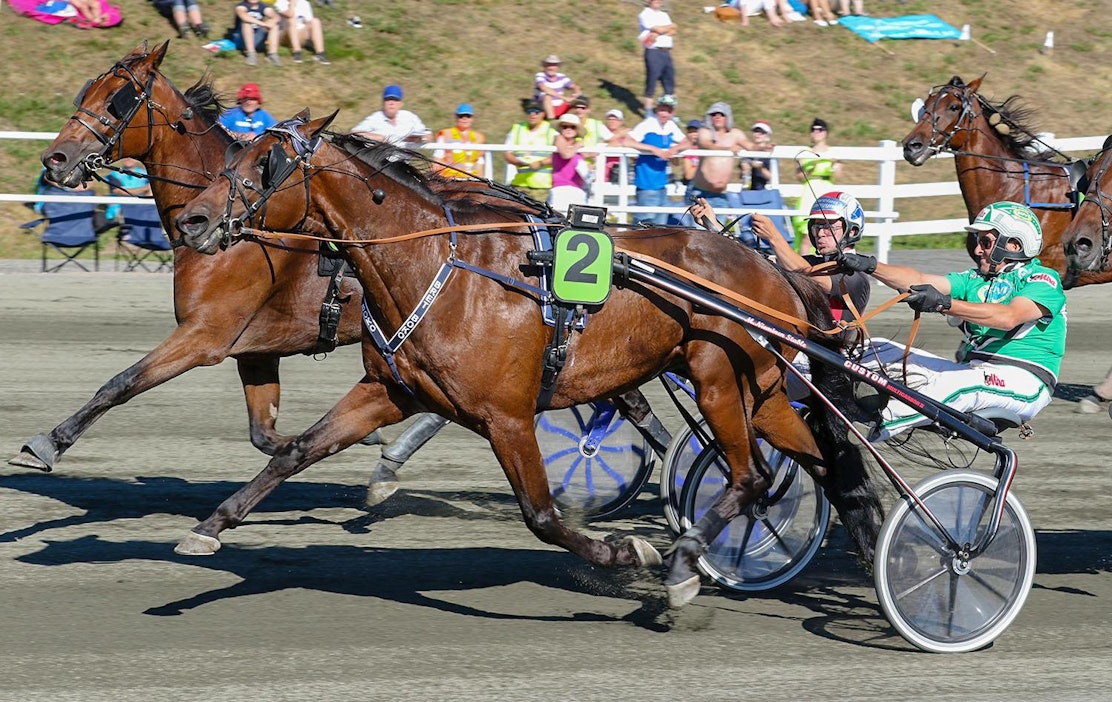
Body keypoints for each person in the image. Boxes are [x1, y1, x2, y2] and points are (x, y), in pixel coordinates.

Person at [838, 201, 1067, 441]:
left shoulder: (1042, 279)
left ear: (1014, 245)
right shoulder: (974, 279)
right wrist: (869, 265)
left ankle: (859, 439)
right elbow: (918, 279)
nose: (978, 250)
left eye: (986, 243)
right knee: (877, 348)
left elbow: (1008, 317)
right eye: (977, 242)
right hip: (974, 370)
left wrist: (943, 303)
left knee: (956, 384)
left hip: (1024, 382)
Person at [685, 101, 753, 229]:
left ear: (727, 117)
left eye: (721, 114)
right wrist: (727, 149)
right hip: (701, 194)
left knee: (717, 235)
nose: (717, 116)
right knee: (700, 236)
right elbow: (706, 144)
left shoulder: (735, 134)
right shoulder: (705, 132)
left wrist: (763, 146)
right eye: (714, 114)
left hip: (720, 196)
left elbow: (750, 146)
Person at [627, 94, 687, 225]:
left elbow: (687, 142)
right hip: (646, 183)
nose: (664, 113)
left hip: (661, 184)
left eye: (668, 110)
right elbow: (627, 141)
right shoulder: (648, 124)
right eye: (662, 109)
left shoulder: (670, 126)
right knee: (644, 226)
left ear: (672, 112)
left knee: (660, 228)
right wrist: (653, 149)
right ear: (657, 109)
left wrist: (675, 149)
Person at [794, 117, 841, 253]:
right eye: (813, 130)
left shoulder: (833, 153)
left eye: (820, 130)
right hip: (810, 189)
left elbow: (836, 177)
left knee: (826, 232)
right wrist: (812, 165)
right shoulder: (804, 152)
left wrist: (833, 165)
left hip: (826, 188)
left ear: (825, 132)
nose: (816, 132)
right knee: (806, 234)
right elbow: (800, 177)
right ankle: (803, 266)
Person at [504, 100, 556, 203]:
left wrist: (540, 163)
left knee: (539, 217)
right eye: (529, 111)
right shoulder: (516, 129)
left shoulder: (551, 131)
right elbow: (507, 153)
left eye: (536, 111)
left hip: (542, 186)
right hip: (520, 184)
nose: (532, 114)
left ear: (543, 114)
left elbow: (557, 156)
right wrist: (517, 162)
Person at [351, 85, 431, 145]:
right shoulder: (375, 118)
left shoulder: (409, 117)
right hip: (379, 164)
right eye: (388, 99)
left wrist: (419, 139)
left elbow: (429, 136)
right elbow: (354, 133)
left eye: (395, 100)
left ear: (401, 104)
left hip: (404, 164)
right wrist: (377, 137)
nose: (391, 103)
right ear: (383, 103)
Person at [638, 0, 676, 115]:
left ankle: (671, 113)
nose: (658, 2)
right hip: (654, 51)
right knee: (651, 83)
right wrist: (664, 29)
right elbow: (661, 28)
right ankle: (648, 113)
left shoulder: (664, 15)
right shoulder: (644, 14)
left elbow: (674, 29)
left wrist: (657, 32)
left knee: (670, 85)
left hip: (666, 52)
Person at [549, 113, 590, 215]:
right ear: (560, 128)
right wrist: (578, 145)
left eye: (572, 127)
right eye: (565, 126)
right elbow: (565, 154)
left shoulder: (577, 147)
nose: (568, 129)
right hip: (561, 188)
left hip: (578, 189)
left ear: (576, 130)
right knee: (560, 220)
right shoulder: (559, 138)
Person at [432, 104, 486, 178]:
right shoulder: (446, 134)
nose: (465, 119)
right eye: (461, 116)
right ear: (456, 117)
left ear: (472, 118)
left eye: (468, 116)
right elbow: (437, 159)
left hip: (472, 179)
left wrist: (481, 181)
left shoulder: (478, 137)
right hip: (450, 178)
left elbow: (479, 162)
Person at [274, 0, 330, 64]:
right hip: (285, 34)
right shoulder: (279, 3)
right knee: (292, 20)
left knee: (315, 21)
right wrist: (292, 4)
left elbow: (308, 20)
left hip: (300, 33)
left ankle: (320, 53)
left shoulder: (304, 3)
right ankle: (297, 52)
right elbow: (290, 14)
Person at [232, 0, 282, 66]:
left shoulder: (263, 7)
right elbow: (244, 16)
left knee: (274, 25)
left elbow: (276, 16)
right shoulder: (241, 6)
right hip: (241, 39)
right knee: (246, 23)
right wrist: (263, 24)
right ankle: (251, 54)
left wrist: (272, 21)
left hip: (256, 37)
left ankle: (272, 54)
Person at [534, 55, 580, 121]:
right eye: (549, 65)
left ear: (558, 67)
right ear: (545, 66)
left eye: (554, 65)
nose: (551, 68)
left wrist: (576, 93)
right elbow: (544, 88)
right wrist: (564, 98)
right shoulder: (540, 75)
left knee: (578, 101)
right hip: (543, 107)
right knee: (547, 96)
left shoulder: (561, 76)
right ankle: (551, 120)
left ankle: (573, 121)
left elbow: (574, 86)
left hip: (560, 105)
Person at [743, 120, 775, 190]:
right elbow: (740, 175)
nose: (758, 134)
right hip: (746, 190)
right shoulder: (747, 151)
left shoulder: (770, 152)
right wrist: (745, 169)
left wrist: (760, 168)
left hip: (761, 190)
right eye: (755, 131)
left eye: (761, 132)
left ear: (767, 135)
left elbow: (772, 177)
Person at [602, 109, 630, 185]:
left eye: (615, 119)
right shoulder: (602, 130)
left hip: (620, 166)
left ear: (621, 121)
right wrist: (620, 135)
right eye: (609, 119)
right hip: (603, 166)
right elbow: (606, 142)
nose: (612, 121)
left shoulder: (627, 134)